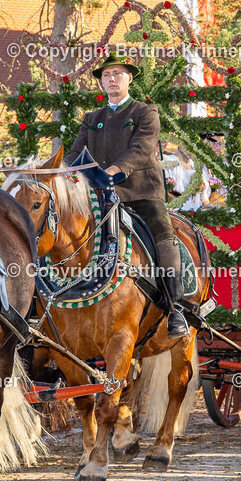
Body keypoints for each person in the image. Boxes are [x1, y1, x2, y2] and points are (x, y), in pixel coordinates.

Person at [64, 52, 188, 337]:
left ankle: (175, 308)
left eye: (117, 74)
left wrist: (115, 170)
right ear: (101, 83)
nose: (111, 79)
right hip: (99, 194)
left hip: (141, 192)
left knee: (162, 232)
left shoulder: (145, 112)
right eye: (106, 75)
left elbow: (141, 149)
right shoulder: (91, 118)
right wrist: (63, 172)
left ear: (129, 78)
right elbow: (74, 154)